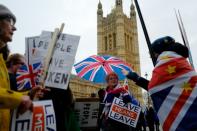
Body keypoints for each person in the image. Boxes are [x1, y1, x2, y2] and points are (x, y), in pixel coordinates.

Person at [123, 36, 197, 130]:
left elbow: (156, 88)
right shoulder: (180, 61)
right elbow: (162, 87)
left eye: (152, 55)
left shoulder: (167, 62)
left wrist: (136, 77)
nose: (152, 58)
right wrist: (136, 78)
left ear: (157, 53)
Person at [0, 4, 33, 131]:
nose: (14, 28)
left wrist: (29, 94)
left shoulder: (1, 60)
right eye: (9, 20)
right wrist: (19, 98)